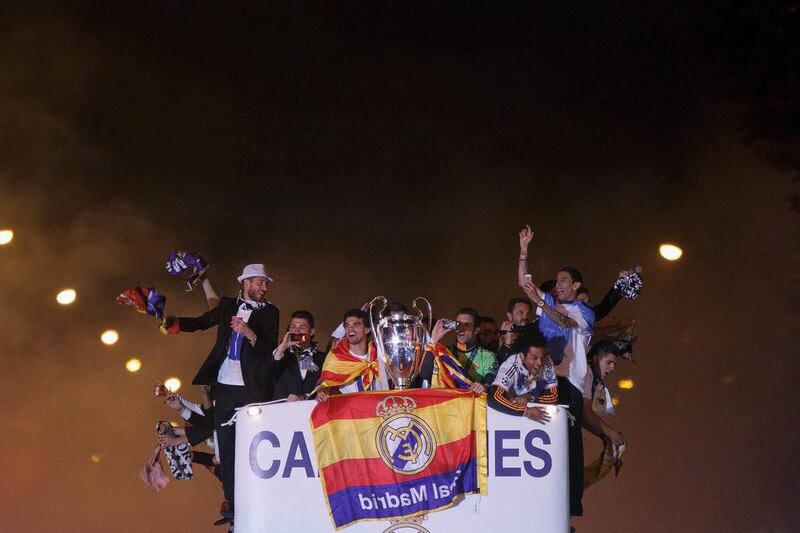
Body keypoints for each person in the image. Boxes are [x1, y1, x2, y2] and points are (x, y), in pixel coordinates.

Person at [168, 263, 280, 527]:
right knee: (226, 446)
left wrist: (249, 333)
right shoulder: (228, 305)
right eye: (260, 282)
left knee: (253, 444)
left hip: (251, 386)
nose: (264, 287)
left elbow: (269, 349)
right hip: (225, 385)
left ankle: (261, 497)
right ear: (246, 282)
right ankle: (233, 502)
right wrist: (169, 323)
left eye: (266, 283)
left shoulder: (271, 312)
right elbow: (200, 322)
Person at [517, 224, 596, 520]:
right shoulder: (548, 302)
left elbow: (566, 325)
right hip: (544, 383)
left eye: (565, 280)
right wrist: (523, 251)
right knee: (545, 439)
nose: (559, 284)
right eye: (558, 280)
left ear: (576, 286)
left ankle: (570, 505)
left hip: (569, 385)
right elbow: (526, 285)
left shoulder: (583, 310)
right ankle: (541, 503)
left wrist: (541, 302)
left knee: (570, 443)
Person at [315, 309, 389, 402]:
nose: (350, 329)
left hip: (377, 411)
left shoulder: (379, 356)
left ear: (367, 329)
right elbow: (327, 381)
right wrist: (323, 390)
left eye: (356, 325)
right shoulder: (336, 357)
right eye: (347, 326)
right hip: (349, 413)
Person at [487, 334, 558, 422]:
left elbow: (553, 397)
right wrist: (526, 411)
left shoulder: (547, 362)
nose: (539, 363)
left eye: (542, 357)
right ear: (522, 356)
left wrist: (531, 398)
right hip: (507, 417)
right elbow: (494, 397)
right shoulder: (510, 366)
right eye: (535, 358)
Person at [272, 310, 326, 401]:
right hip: (281, 409)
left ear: (311, 331)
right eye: (293, 327)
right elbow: (265, 375)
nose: (296, 331)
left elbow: (325, 384)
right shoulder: (279, 354)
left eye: (302, 328)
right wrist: (282, 348)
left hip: (310, 411)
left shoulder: (322, 358)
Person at [447, 308, 498, 390]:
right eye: (458, 324)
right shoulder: (446, 353)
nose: (461, 329)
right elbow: (425, 375)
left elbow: (492, 379)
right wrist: (434, 341)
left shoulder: (487, 356)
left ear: (476, 330)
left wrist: (485, 386)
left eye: (467, 325)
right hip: (449, 401)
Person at [496, 297, 536, 364]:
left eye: (528, 313)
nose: (525, 317)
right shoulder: (505, 333)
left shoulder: (535, 333)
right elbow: (500, 362)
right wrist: (507, 343)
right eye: (521, 313)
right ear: (510, 316)